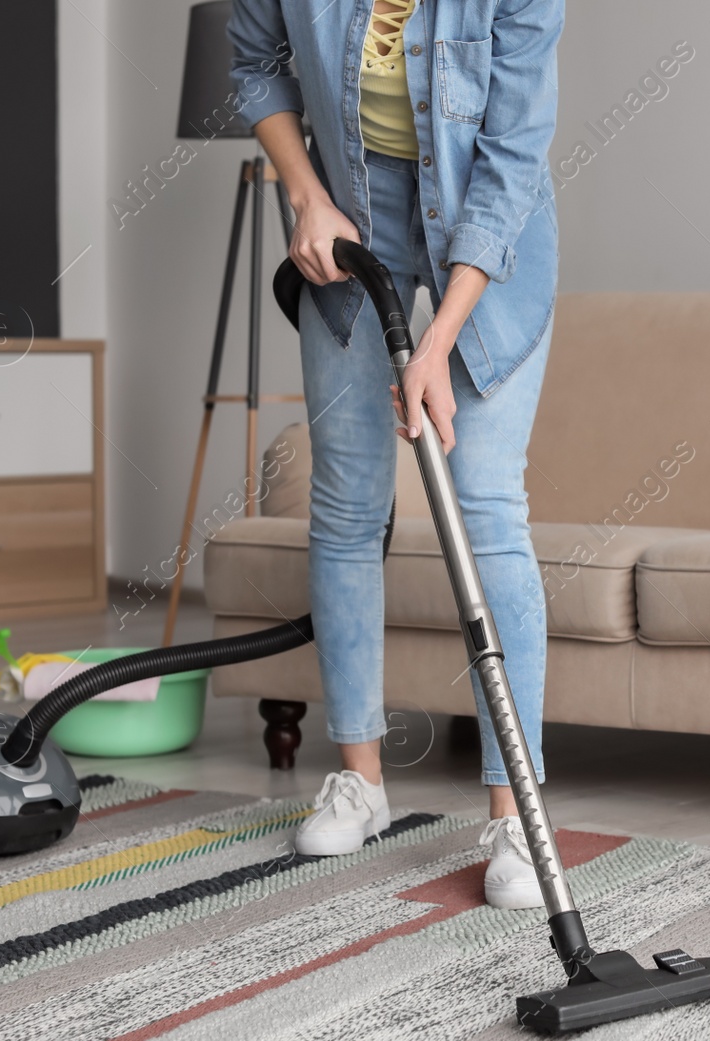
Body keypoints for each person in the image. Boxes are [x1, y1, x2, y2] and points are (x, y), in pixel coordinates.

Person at [229, 0, 563, 909]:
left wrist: (437, 342)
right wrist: (306, 195)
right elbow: (255, 63)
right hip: (349, 229)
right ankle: (362, 781)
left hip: (490, 242)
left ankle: (515, 817)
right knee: (344, 501)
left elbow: (512, 155)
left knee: (487, 505)